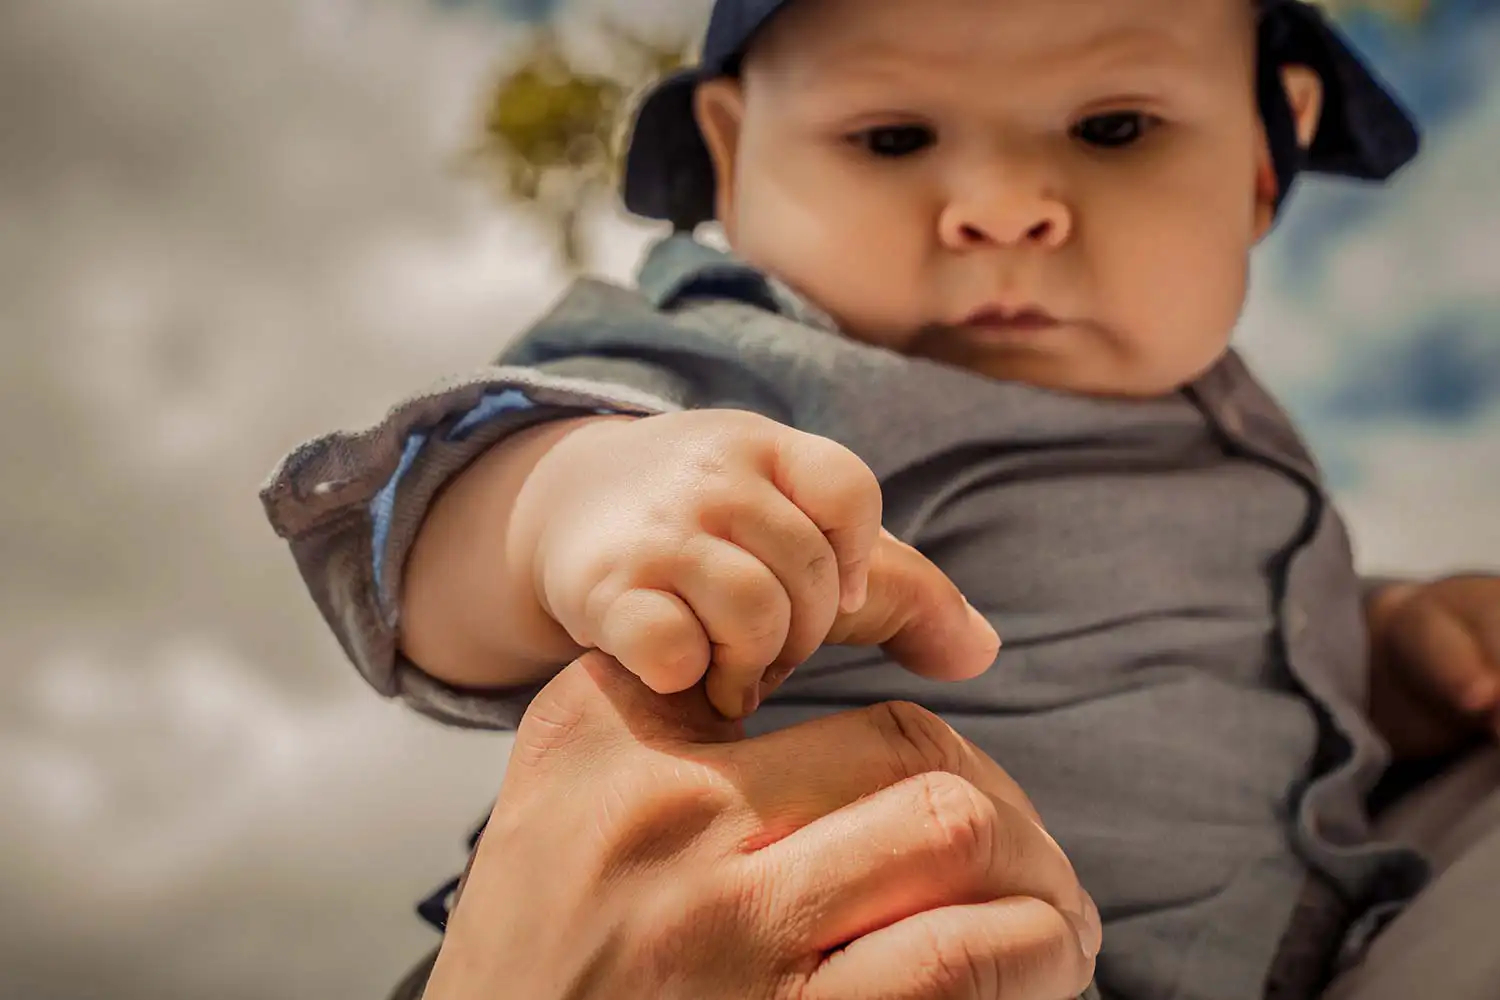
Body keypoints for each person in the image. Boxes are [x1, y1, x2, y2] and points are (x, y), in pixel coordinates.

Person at [259, 0, 1500, 996]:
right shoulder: (765, 367)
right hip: (803, 948)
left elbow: (1240, 681)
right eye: (895, 137)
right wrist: (567, 503)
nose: (1005, 207)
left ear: (1264, 154)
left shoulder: (1233, 440)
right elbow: (423, 533)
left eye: (1113, 126)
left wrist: (1385, 648)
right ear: (736, 163)